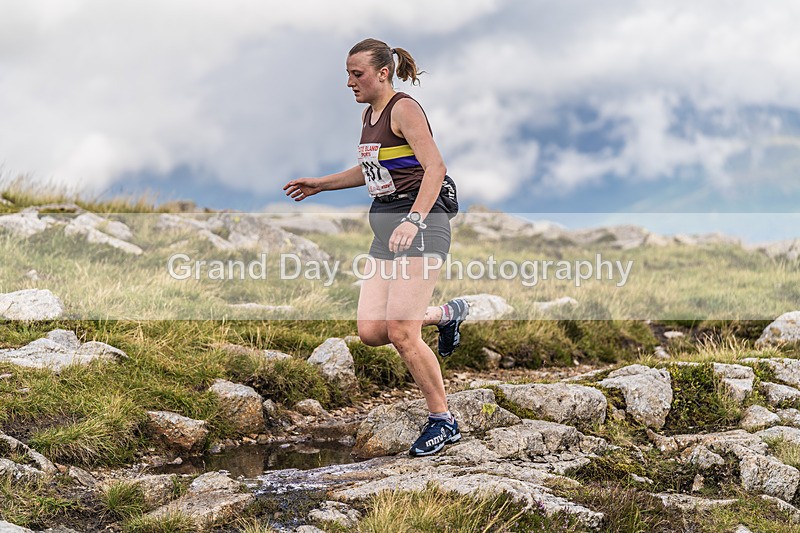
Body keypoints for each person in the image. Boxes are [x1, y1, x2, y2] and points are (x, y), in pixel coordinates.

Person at [283, 38, 469, 457]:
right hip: (386, 227)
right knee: (371, 331)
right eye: (348, 73)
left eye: (357, 73)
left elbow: (435, 167)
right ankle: (446, 315)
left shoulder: (405, 108)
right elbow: (373, 170)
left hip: (421, 223)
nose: (349, 81)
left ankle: (443, 421)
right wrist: (321, 184)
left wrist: (414, 219)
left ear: (383, 73)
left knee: (402, 330)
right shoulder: (370, 115)